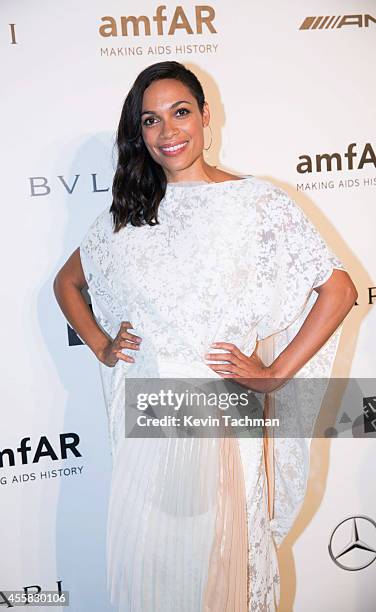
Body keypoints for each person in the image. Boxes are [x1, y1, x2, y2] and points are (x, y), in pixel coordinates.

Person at [53, 60, 357, 611]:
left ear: (206, 116)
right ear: (137, 133)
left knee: (226, 562)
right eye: (151, 120)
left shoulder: (258, 204)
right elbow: (68, 282)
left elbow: (337, 290)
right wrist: (102, 345)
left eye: (180, 112)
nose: (168, 132)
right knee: (158, 567)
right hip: (149, 416)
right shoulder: (126, 217)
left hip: (221, 416)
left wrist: (275, 374)